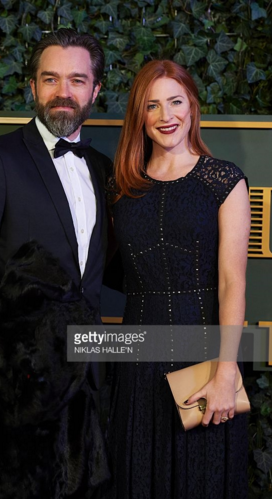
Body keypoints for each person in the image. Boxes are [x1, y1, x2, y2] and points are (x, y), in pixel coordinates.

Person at [0, 28, 112, 497]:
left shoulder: (103, 170)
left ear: (95, 90)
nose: (63, 92)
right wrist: (29, 339)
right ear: (33, 87)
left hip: (88, 380)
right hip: (15, 386)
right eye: (51, 79)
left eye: (77, 80)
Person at [103, 60, 251, 499]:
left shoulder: (224, 181)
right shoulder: (120, 189)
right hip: (137, 357)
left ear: (192, 107)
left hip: (206, 356)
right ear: (140, 117)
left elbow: (232, 283)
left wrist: (226, 373)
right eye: (152, 105)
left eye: (175, 101)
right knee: (137, 477)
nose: (166, 115)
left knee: (201, 478)